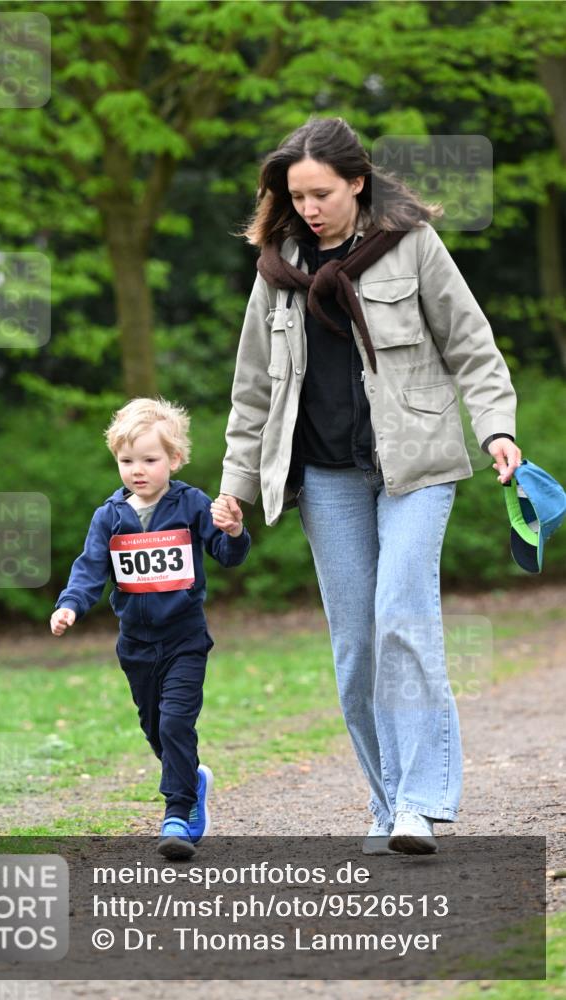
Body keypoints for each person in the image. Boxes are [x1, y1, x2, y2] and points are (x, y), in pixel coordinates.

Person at [211, 117, 521, 855]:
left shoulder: (411, 246)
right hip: (323, 476)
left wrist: (496, 430)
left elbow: (471, 347)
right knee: (355, 648)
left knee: (401, 620)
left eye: (321, 192)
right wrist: (236, 488)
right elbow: (252, 390)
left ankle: (419, 804)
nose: (309, 207)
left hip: (414, 465)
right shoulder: (275, 268)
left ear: (357, 180)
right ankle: (385, 807)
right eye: (296, 195)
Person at [51, 397, 251, 859]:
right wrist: (70, 606)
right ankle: (192, 779)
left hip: (184, 638)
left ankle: (176, 814)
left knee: (178, 721)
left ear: (175, 459)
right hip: (136, 645)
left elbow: (227, 554)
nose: (137, 470)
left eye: (149, 459)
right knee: (156, 728)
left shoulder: (192, 504)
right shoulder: (109, 517)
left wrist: (235, 531)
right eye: (126, 461)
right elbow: (89, 570)